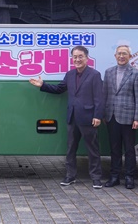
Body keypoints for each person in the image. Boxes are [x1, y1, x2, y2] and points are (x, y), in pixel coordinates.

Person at [29, 45, 104, 189]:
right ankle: (70, 176)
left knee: (93, 150)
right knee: (70, 149)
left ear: (87, 58)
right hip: (72, 117)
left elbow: (99, 97)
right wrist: (43, 85)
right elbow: (59, 89)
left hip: (88, 118)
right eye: (75, 57)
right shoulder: (69, 74)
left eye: (80, 56)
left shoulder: (94, 74)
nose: (77, 59)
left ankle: (96, 178)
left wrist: (97, 116)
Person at [101, 45, 138, 189]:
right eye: (119, 53)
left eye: (124, 54)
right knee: (114, 149)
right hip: (111, 115)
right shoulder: (108, 72)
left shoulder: (136, 73)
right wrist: (103, 114)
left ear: (130, 56)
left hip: (128, 117)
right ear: (115, 56)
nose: (121, 56)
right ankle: (114, 176)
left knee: (129, 149)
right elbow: (105, 94)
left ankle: (129, 177)